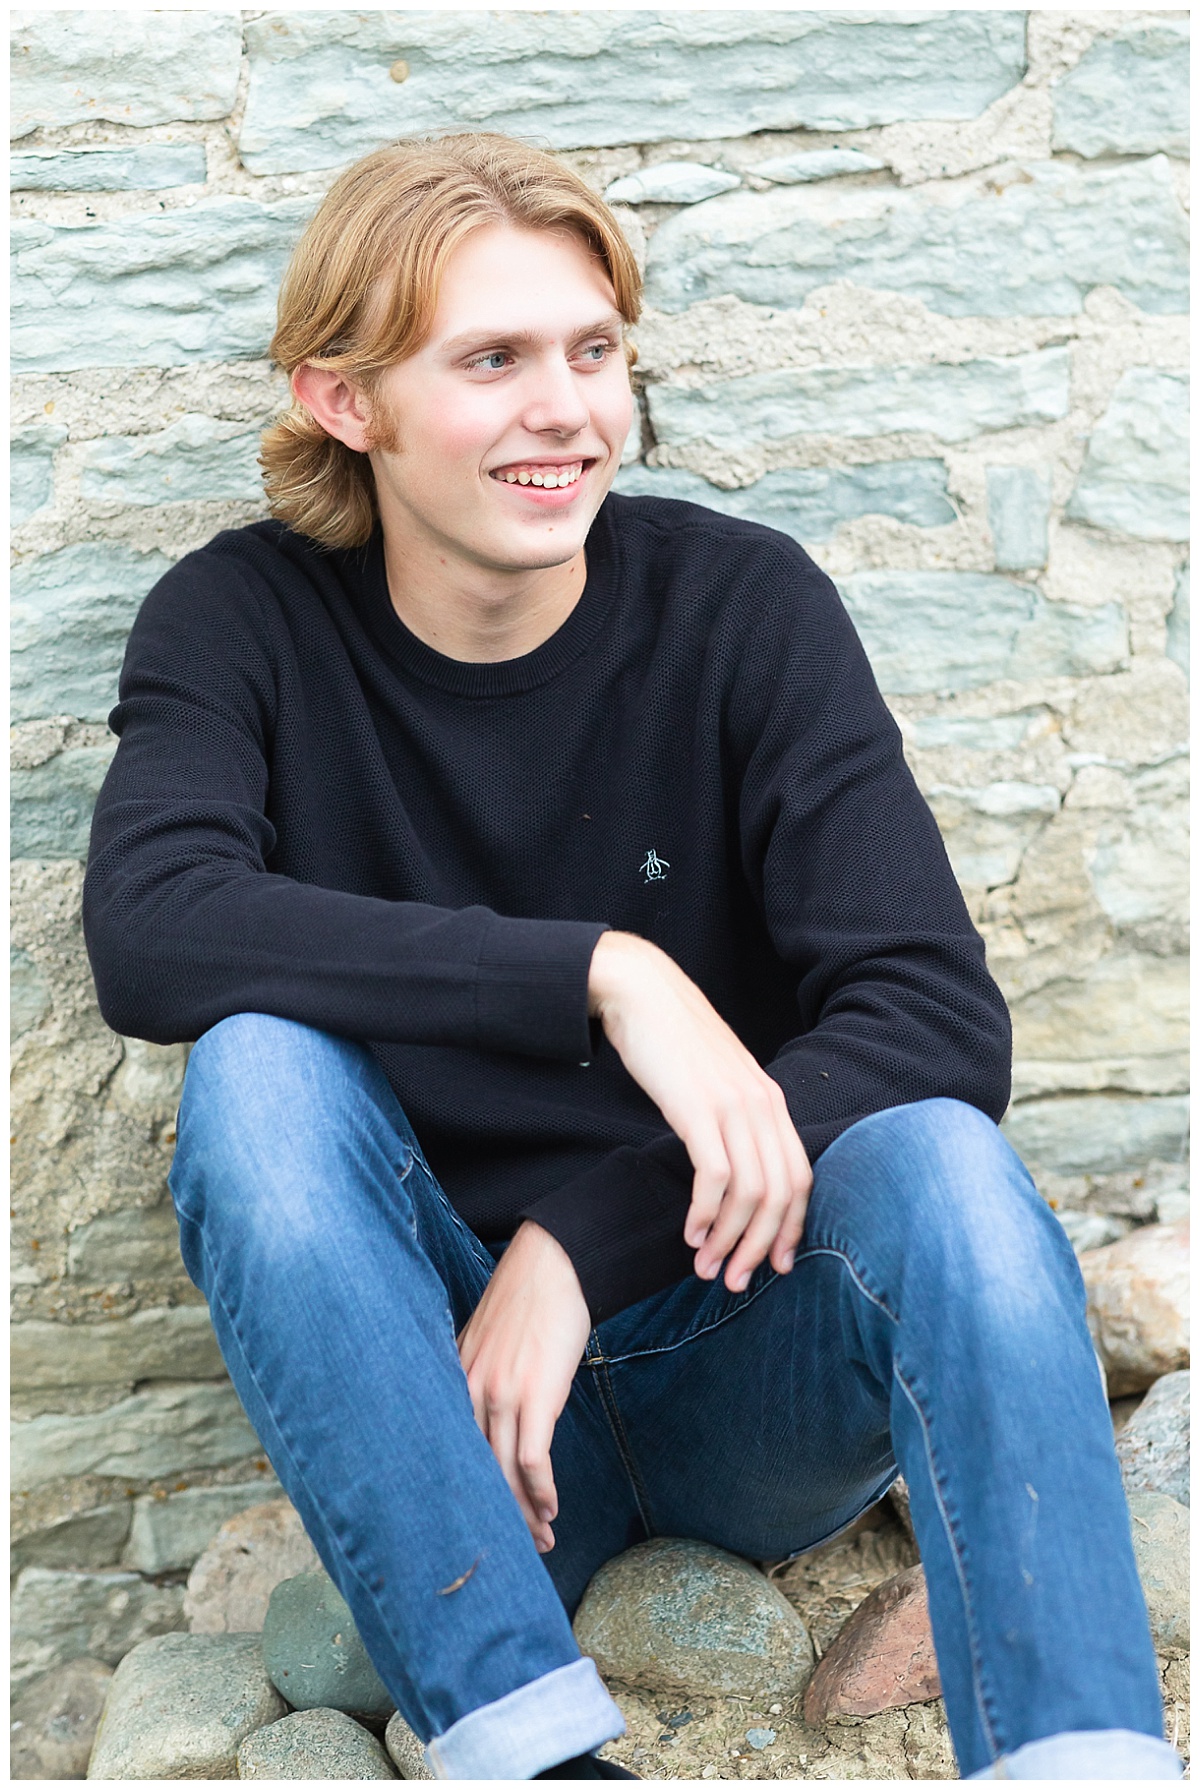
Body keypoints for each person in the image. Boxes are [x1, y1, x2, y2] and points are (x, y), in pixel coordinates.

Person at [83, 134, 1180, 1782]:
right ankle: (527, 1745)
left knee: (948, 1164)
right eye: (494, 361)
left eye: (594, 351)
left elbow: (934, 1014)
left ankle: (1079, 1758)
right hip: (457, 1433)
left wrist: (579, 1244)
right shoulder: (241, 624)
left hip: (750, 1363)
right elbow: (154, 928)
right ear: (344, 401)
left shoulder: (743, 608)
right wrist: (608, 970)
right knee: (253, 1071)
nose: (567, 410)